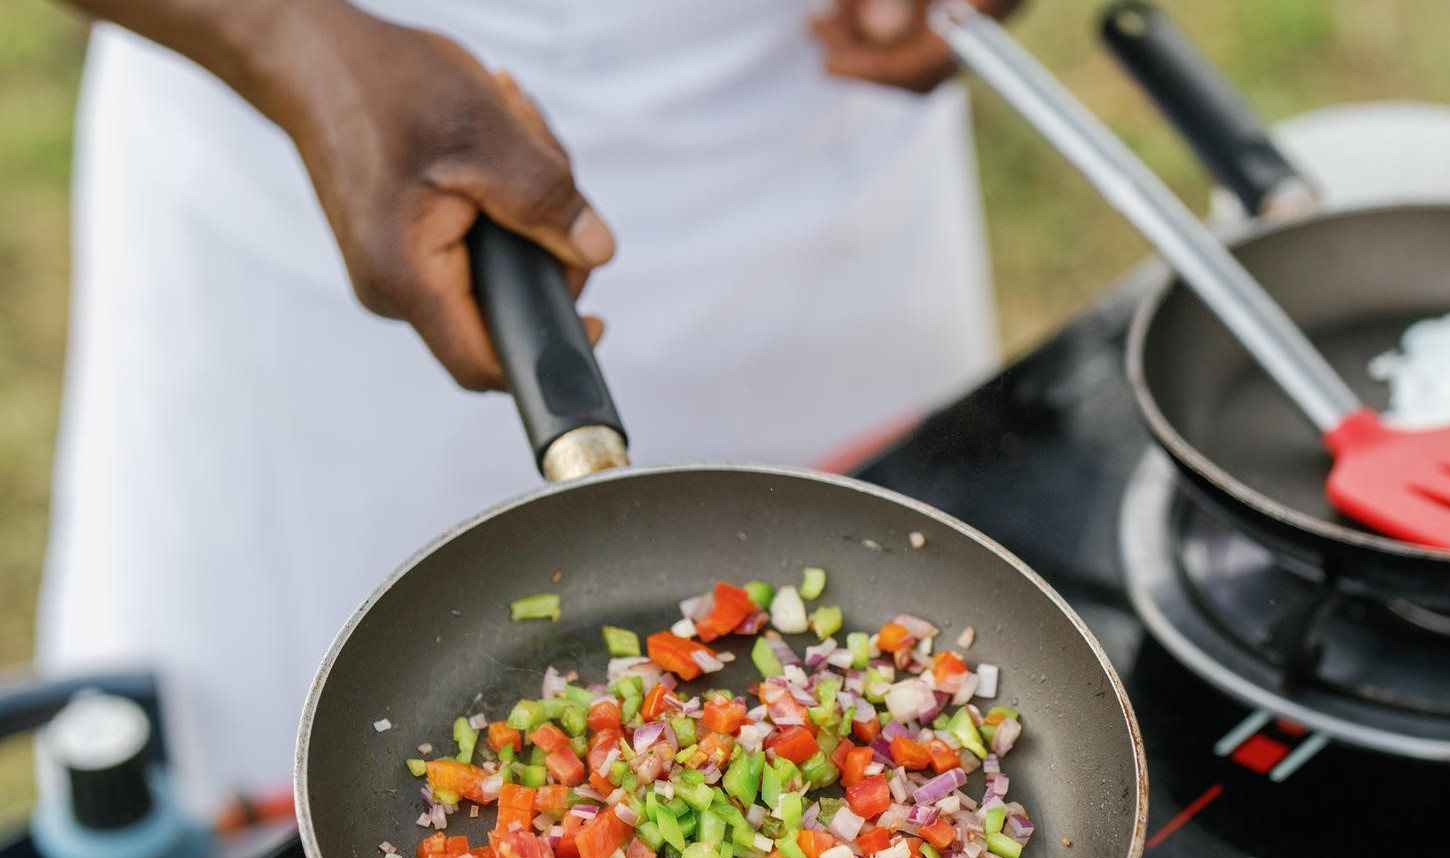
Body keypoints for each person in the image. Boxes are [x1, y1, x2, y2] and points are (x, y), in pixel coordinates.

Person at [36, 0, 1017, 816]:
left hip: (812, 136)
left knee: (893, 658)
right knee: (277, 816)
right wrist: (291, 46)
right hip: (310, 159)